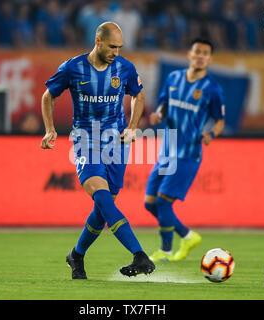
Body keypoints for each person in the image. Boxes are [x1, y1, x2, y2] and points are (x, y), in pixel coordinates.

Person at [41, 22, 155, 279]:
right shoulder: (72, 67)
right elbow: (48, 96)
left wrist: (134, 126)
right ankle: (138, 255)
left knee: (104, 208)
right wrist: (50, 129)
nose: (116, 52)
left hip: (117, 142)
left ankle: (76, 256)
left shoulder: (124, 68)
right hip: (85, 141)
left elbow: (138, 95)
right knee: (102, 198)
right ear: (98, 41)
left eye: (119, 47)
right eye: (112, 46)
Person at [144, 38, 225, 262]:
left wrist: (211, 134)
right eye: (197, 51)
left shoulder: (212, 89)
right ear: (189, 54)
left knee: (162, 202)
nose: (200, 56)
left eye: (205, 53)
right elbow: (163, 104)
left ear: (209, 59)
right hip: (166, 152)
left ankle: (166, 250)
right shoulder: (173, 78)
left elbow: (219, 121)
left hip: (188, 154)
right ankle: (187, 236)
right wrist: (158, 113)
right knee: (149, 203)